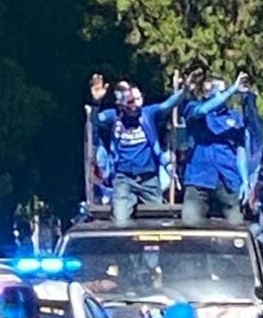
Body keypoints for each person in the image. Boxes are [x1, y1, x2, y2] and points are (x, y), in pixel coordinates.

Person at [100, 73, 185, 224]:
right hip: (123, 178)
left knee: (157, 220)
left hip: (149, 178)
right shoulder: (113, 117)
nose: (135, 105)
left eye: (138, 99)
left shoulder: (148, 114)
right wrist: (95, 102)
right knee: (120, 219)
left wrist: (184, 90)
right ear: (121, 103)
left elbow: (167, 105)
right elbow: (95, 120)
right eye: (131, 101)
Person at [180, 65, 250, 226]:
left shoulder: (235, 117)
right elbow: (202, 111)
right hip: (198, 177)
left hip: (228, 178)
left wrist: (245, 181)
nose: (221, 94)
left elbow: (240, 150)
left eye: (222, 90)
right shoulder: (194, 109)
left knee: (236, 225)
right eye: (216, 90)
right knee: (190, 222)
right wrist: (231, 90)